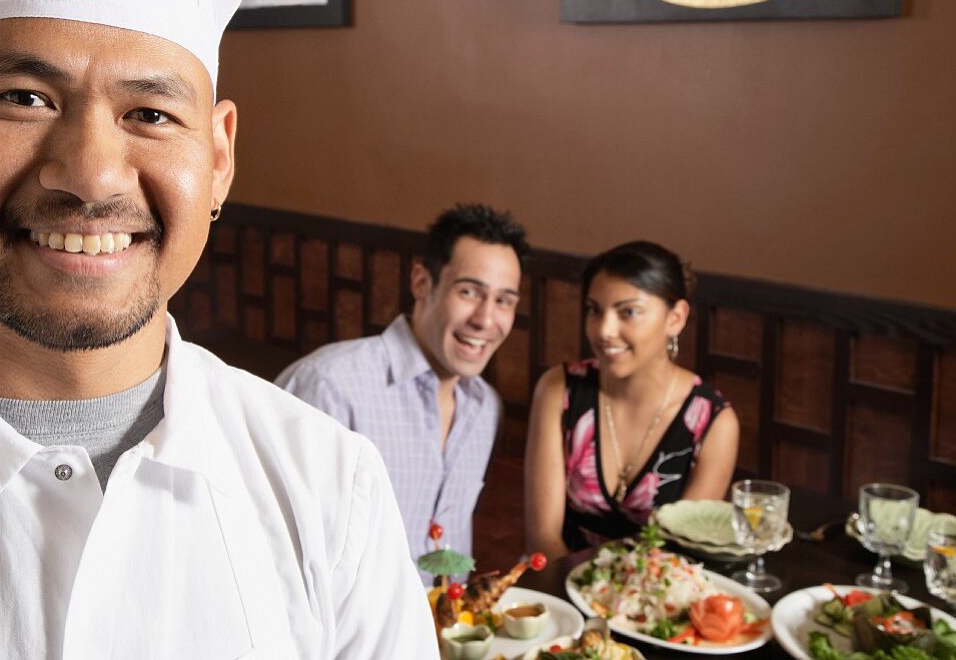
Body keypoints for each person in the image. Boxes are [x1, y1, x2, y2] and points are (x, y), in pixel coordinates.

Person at [0, 0, 435, 657]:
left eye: (151, 114)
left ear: (220, 159)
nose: (93, 174)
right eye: (24, 97)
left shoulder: (329, 490)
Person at [276, 204, 528, 581]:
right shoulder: (330, 387)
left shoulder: (485, 408)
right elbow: (273, 546)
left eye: (504, 300)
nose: (486, 320)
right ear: (422, 283)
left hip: (446, 631)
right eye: (469, 292)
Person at [524, 241, 739, 558]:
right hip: (560, 586)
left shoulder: (712, 422)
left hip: (658, 594)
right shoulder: (560, 389)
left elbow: (683, 553)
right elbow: (542, 538)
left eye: (629, 312)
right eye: (594, 310)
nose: (604, 330)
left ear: (675, 318)